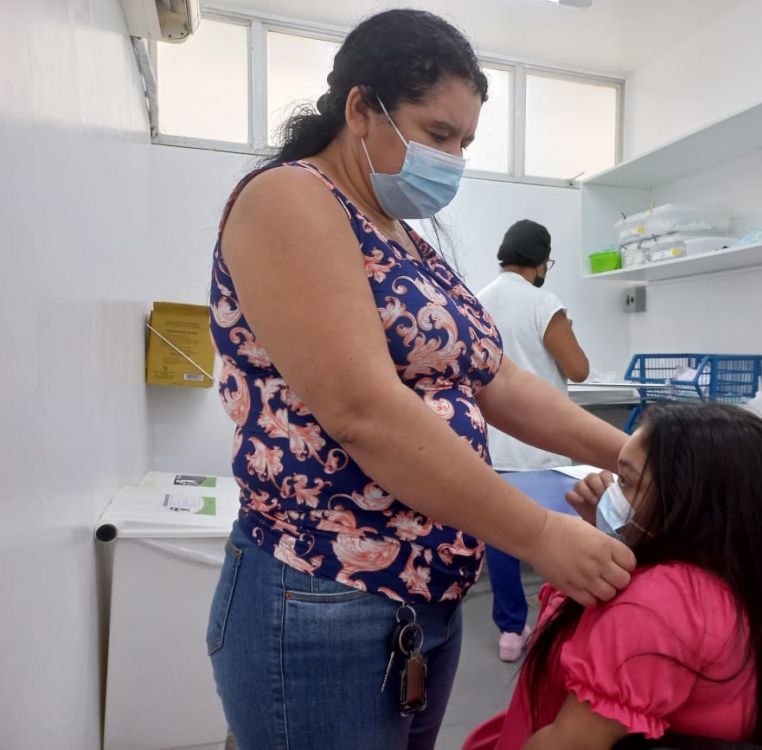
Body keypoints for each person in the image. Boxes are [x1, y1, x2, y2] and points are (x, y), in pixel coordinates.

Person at [205, 9, 635, 750]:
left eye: (465, 142)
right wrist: (539, 534)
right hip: (322, 593)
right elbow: (363, 412)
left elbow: (495, 379)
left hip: (423, 599)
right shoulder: (291, 200)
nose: (455, 159)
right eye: (439, 135)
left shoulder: (407, 239)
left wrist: (627, 454)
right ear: (362, 109)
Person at [464, 402, 762, 750]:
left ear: (686, 499)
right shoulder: (737, 578)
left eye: (626, 480)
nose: (610, 491)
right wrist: (603, 535)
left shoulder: (656, 607)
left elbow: (569, 743)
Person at [477, 220, 591, 661]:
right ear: (541, 262)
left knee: (503, 539)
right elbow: (578, 369)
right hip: (543, 448)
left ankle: (510, 632)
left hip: (494, 448)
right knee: (560, 539)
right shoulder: (544, 302)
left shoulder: (477, 301)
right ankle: (557, 625)